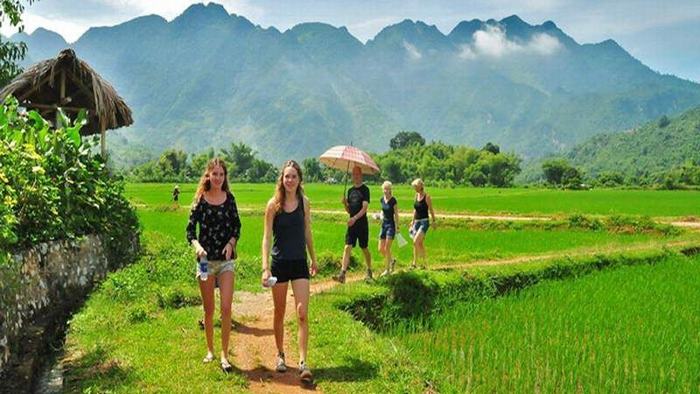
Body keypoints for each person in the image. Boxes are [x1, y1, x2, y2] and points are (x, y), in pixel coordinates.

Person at [261, 160, 318, 384]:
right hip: (280, 263)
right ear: (281, 179)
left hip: (299, 263)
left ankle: (303, 362)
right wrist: (265, 267)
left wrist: (314, 258)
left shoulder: (305, 202)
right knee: (280, 311)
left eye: (294, 176)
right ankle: (280, 355)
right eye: (287, 176)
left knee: (302, 312)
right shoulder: (273, 204)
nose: (290, 180)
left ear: (299, 179)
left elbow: (307, 231)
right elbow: (266, 237)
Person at [186, 158, 241, 373]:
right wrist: (197, 247)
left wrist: (231, 243)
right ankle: (210, 349)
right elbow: (190, 231)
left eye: (221, 174)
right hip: (204, 262)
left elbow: (237, 226)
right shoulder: (200, 200)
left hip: (225, 261)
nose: (218, 178)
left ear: (225, 177)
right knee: (209, 310)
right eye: (214, 174)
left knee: (226, 308)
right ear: (208, 176)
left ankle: (224, 354)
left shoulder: (229, 199)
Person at [334, 165, 372, 283]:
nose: (355, 176)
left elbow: (364, 208)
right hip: (352, 224)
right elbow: (349, 210)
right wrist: (345, 204)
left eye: (357, 174)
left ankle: (369, 270)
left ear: (361, 175)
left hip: (361, 224)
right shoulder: (350, 191)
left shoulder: (365, 190)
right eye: (353, 174)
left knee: (364, 247)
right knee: (347, 247)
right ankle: (342, 274)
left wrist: (354, 218)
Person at [410, 178, 435, 269]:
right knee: (418, 243)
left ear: (420, 186)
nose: (415, 188)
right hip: (416, 222)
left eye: (416, 186)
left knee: (415, 241)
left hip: (424, 222)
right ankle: (417, 264)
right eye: (414, 187)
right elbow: (415, 210)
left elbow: (431, 209)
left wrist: (434, 221)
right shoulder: (416, 195)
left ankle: (422, 263)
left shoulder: (427, 197)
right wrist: (412, 221)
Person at [378, 181, 399, 276]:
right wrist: (379, 216)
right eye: (384, 189)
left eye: (387, 189)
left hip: (391, 225)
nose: (386, 191)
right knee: (380, 249)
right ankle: (392, 261)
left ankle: (387, 270)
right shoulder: (382, 200)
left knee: (387, 248)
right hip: (383, 225)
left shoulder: (393, 200)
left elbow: (396, 214)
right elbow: (382, 211)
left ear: (390, 190)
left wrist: (397, 226)